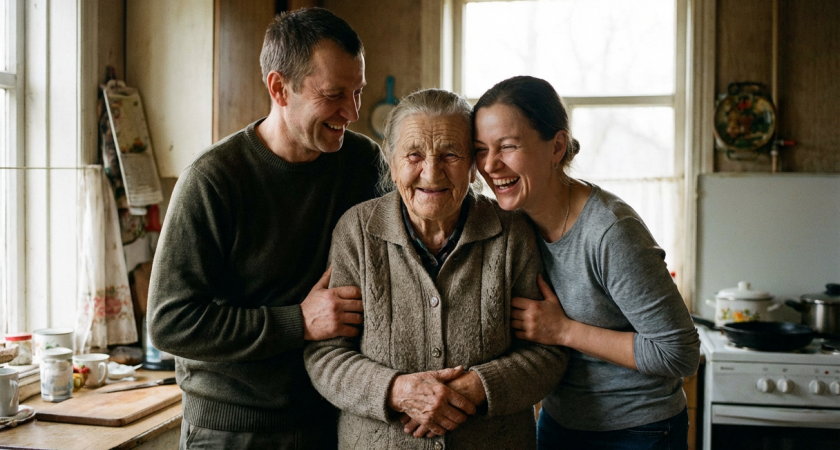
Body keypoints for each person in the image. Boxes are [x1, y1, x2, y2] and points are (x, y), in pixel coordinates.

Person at [147, 8, 382, 449]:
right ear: (279, 88)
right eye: (334, 95)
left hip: (330, 419)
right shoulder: (213, 180)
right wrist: (299, 322)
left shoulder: (363, 163)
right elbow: (169, 323)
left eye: (358, 92)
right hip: (230, 430)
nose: (351, 112)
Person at [304, 88, 570, 450]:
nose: (431, 172)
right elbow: (325, 356)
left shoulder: (512, 232)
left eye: (450, 154)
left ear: (474, 165)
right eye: (414, 154)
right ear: (392, 161)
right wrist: (397, 391)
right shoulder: (357, 231)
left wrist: (478, 386)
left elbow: (549, 353)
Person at [472, 76, 701, 450]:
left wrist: (563, 331)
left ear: (556, 147)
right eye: (480, 149)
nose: (491, 165)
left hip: (638, 431)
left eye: (508, 146)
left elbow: (679, 353)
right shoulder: (512, 219)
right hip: (559, 421)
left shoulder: (610, 232)